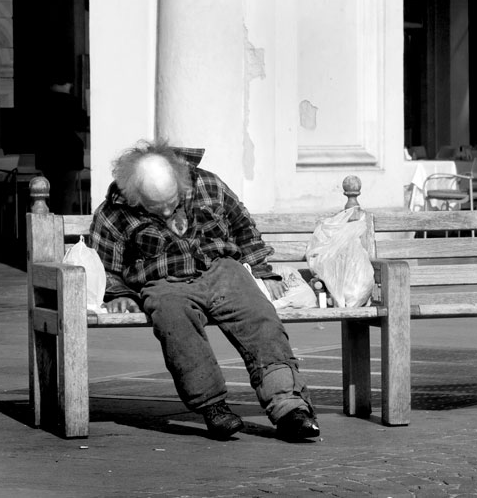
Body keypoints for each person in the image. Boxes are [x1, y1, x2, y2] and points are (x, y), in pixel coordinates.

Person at [89, 141, 320, 441]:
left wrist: (262, 270)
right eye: (156, 207)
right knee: (174, 323)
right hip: (164, 283)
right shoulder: (114, 212)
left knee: (261, 319)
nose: (167, 210)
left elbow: (243, 228)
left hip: (222, 269)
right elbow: (104, 265)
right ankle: (213, 408)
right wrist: (119, 295)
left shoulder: (208, 184)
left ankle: (290, 409)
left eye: (172, 201)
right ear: (135, 196)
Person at [35, 77, 86, 214]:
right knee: (66, 195)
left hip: (47, 152)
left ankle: (51, 221)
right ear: (66, 84)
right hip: (69, 153)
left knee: (51, 194)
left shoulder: (41, 101)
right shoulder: (72, 101)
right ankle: (64, 223)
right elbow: (81, 124)